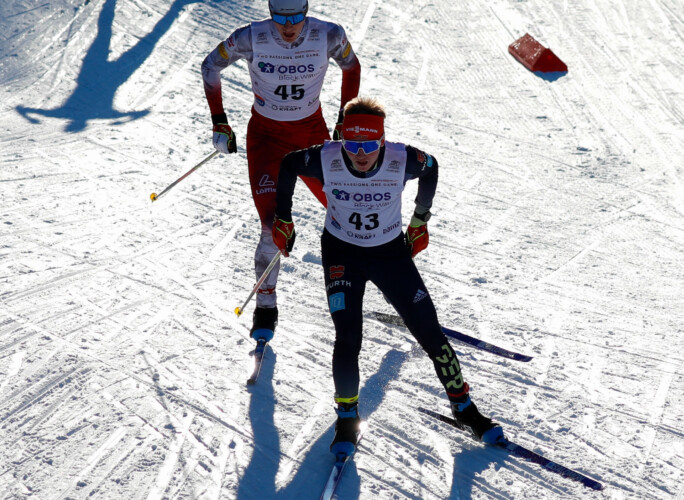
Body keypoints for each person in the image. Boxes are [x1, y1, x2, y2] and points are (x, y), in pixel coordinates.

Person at [272, 97, 504, 456]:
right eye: (352, 145)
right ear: (342, 140)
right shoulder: (325, 157)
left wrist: (420, 220)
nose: (360, 154)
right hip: (342, 256)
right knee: (348, 336)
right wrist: (283, 218)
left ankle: (464, 409)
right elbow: (288, 165)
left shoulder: (401, 158)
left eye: (369, 144)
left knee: (429, 330)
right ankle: (347, 418)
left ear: (382, 140)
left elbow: (431, 168)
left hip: (389, 254)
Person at [201, 0, 361, 341]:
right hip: (266, 140)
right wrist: (219, 122)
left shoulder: (328, 34)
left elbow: (352, 67)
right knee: (272, 226)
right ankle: (266, 306)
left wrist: (344, 120)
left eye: (296, 18)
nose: (288, 27)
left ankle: (390, 279)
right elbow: (210, 66)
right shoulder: (251, 37)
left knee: (349, 208)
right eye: (280, 18)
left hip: (311, 137)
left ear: (306, 11)